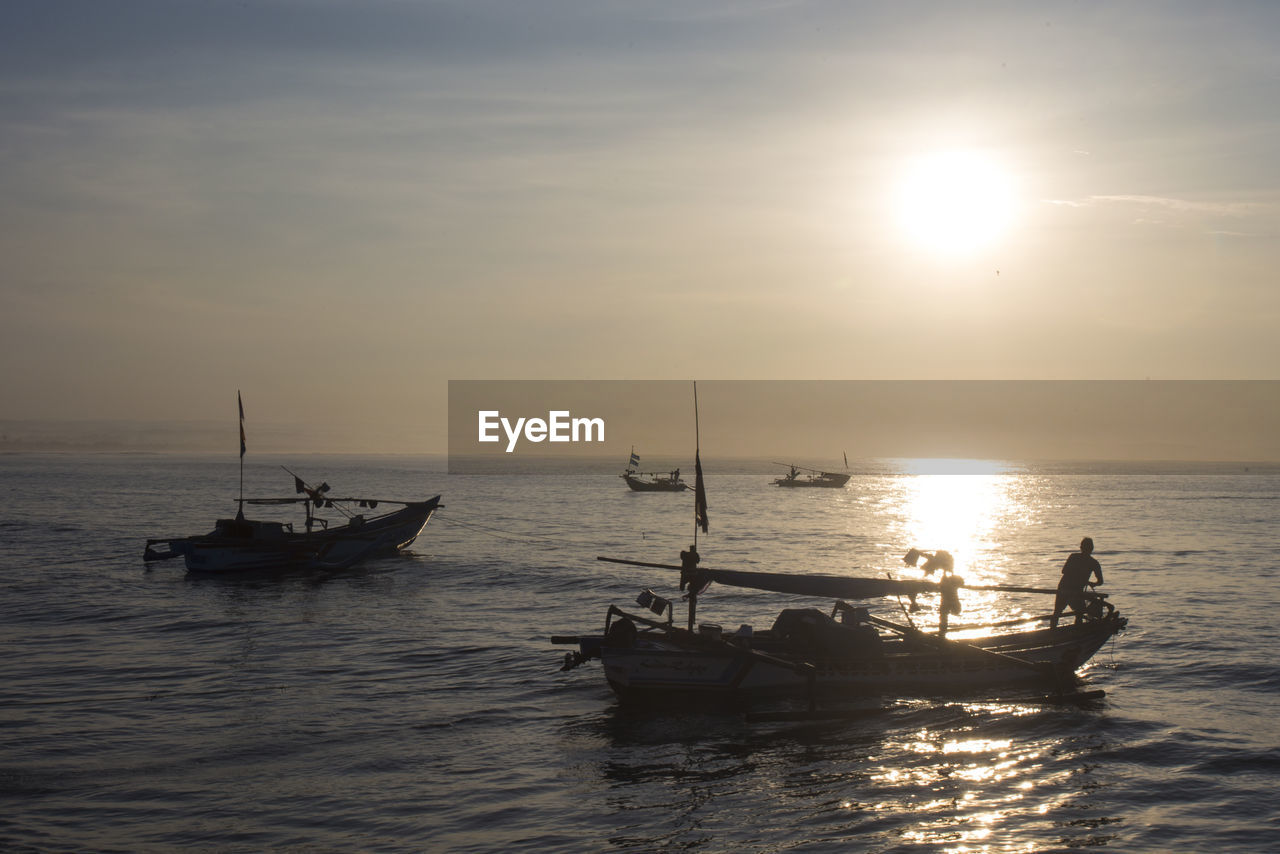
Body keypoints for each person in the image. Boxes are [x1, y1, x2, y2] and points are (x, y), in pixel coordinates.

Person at [1051, 537, 1104, 628]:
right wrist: (1090, 583)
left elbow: (1064, 571)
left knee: (1059, 611)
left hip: (1067, 587)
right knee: (1078, 612)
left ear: (1081, 547)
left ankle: (1053, 631)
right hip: (1070, 589)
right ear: (1092, 549)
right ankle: (1074, 630)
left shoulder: (1074, 557)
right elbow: (1100, 581)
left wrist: (1086, 581)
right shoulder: (1093, 562)